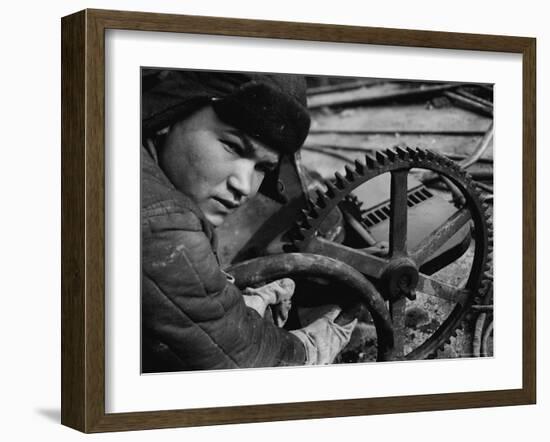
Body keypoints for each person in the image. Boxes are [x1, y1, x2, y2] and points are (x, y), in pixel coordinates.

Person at [141, 69, 357, 372]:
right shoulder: (161, 222)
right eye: (232, 146)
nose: (244, 186)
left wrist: (222, 301)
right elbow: (238, 357)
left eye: (263, 167)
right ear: (172, 114)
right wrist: (307, 347)